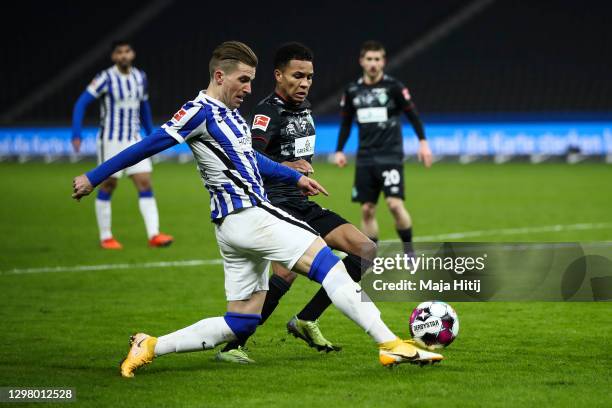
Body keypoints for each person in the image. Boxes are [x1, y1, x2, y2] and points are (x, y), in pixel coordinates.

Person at [71, 41, 443, 378]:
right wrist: (94, 175)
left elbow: (251, 160)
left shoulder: (231, 117)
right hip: (249, 214)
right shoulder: (198, 112)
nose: (249, 89)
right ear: (220, 76)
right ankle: (390, 343)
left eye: (251, 81)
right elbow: (147, 145)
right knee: (328, 262)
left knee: (241, 321)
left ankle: (150, 345)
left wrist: (294, 177)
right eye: (243, 80)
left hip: (232, 228)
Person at [217, 42, 375, 363]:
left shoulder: (304, 109)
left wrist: (302, 173)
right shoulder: (267, 113)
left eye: (309, 77)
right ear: (278, 75)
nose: (304, 83)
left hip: (301, 203)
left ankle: (306, 319)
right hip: (276, 206)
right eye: (297, 76)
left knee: (366, 250)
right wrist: (289, 170)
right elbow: (248, 159)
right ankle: (232, 346)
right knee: (284, 275)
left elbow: (297, 154)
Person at [72, 40, 173, 249]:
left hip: (134, 138)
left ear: (133, 54)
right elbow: (81, 103)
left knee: (144, 182)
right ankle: (106, 237)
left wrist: (150, 135)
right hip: (110, 140)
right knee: (108, 184)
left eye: (127, 51)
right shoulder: (104, 78)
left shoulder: (140, 77)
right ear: (114, 57)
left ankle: (154, 234)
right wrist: (76, 133)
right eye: (120, 52)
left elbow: (144, 106)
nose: (124, 55)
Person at [334, 40, 432, 251]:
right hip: (366, 158)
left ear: (383, 62)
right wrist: (340, 150)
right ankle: (371, 259)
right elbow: (346, 123)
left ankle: (408, 250)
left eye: (377, 59)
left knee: (395, 205)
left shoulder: (394, 87)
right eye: (369, 59)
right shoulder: (352, 91)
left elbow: (413, 116)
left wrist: (423, 143)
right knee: (367, 210)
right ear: (362, 61)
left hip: (390, 155)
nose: (373, 64)